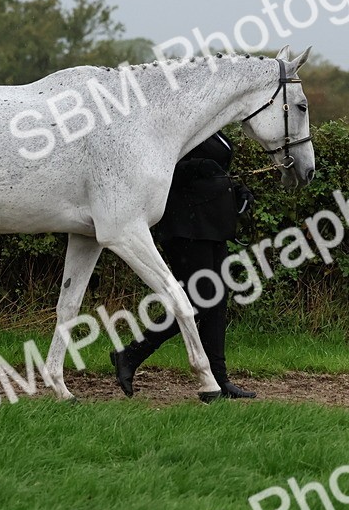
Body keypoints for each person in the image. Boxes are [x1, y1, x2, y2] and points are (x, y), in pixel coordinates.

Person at [109, 130, 257, 399]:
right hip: (186, 226)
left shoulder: (213, 128)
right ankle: (130, 355)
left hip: (212, 224)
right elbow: (161, 170)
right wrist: (196, 167)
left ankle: (219, 380)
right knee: (197, 301)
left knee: (217, 301)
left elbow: (217, 171)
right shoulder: (183, 127)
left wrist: (239, 190)